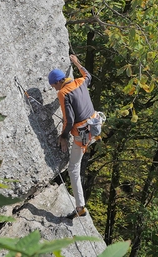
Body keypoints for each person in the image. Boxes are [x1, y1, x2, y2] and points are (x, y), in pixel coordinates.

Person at [48, 54, 96, 219]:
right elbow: (88, 75)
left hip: (82, 133)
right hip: (94, 127)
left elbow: (69, 120)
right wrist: (76, 62)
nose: (54, 89)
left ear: (58, 82)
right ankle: (80, 205)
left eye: (53, 85)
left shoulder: (63, 93)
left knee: (73, 168)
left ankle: (80, 206)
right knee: (77, 161)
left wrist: (63, 137)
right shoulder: (80, 82)